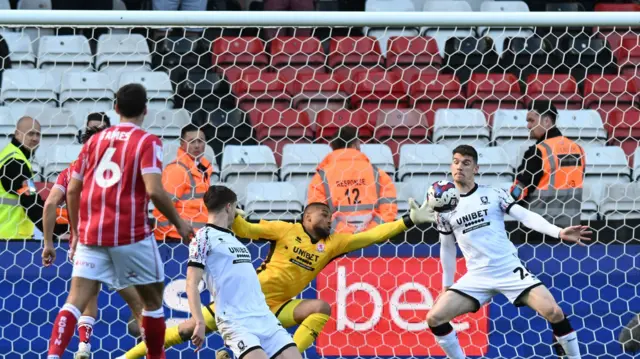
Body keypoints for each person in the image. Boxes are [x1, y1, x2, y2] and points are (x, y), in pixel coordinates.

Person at [121, 189, 435, 359]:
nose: (329, 219)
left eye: (330, 216)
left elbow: (372, 236)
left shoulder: (333, 243)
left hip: (277, 308)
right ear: (307, 216)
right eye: (323, 214)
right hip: (245, 300)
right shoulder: (285, 230)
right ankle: (131, 354)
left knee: (320, 308)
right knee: (188, 328)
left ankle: (289, 353)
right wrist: (234, 211)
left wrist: (407, 221)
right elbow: (246, 228)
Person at [45, 83, 194, 359]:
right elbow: (153, 189)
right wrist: (179, 222)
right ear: (145, 110)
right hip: (132, 234)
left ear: (116, 109)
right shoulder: (148, 142)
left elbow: (73, 190)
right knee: (151, 303)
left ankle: (53, 356)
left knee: (74, 301)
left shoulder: (93, 142)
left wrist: (77, 230)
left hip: (92, 234)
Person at [426, 144, 591, 359]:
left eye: (466, 163)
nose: (460, 167)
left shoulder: (494, 194)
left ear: (476, 168)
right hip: (477, 276)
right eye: (456, 162)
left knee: (554, 312)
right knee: (434, 318)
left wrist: (558, 232)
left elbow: (525, 216)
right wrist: (446, 286)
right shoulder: (444, 208)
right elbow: (446, 247)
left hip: (509, 269)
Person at [41, 123, 144, 359]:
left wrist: (49, 243)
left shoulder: (71, 172)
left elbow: (48, 205)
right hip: (116, 242)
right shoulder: (120, 170)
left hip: (84, 245)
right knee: (140, 306)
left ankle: (76, 349)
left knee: (79, 299)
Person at [186, 185, 301, 359]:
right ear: (229, 207)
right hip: (236, 321)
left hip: (264, 316)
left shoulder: (232, 239)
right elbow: (191, 283)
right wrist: (199, 321)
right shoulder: (203, 237)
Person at [308, 126, 397, 234]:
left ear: (333, 147)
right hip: (374, 241)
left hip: (338, 242)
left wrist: (345, 233)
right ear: (355, 145)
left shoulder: (320, 177)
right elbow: (388, 209)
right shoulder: (378, 174)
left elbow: (318, 213)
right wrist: (370, 233)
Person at [511, 101, 585, 228]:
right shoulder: (578, 149)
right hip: (570, 227)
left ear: (546, 121)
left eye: (531, 120)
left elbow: (520, 190)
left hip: (539, 228)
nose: (528, 126)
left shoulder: (538, 151)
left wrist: (507, 201)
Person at [154, 124, 212, 241]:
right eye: (192, 141)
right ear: (182, 143)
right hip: (177, 239)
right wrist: (163, 240)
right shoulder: (177, 170)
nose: (197, 146)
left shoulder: (202, 169)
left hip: (195, 238)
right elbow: (162, 207)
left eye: (200, 141)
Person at [0, 116, 44, 239]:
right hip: (9, 239)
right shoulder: (15, 162)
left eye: (38, 134)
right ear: (17, 134)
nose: (35, 138)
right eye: (30, 134)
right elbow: (30, 200)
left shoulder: (8, 155)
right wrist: (54, 231)